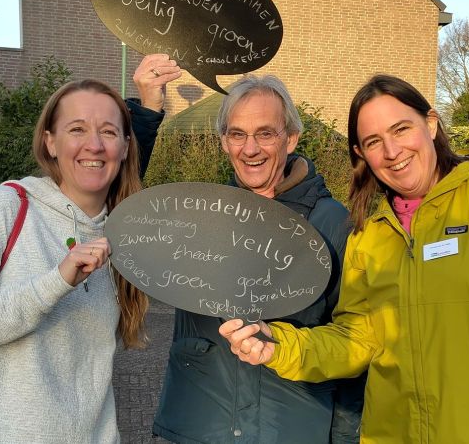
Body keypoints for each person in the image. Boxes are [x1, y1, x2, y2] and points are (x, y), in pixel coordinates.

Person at [220, 75, 469, 443]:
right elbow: (357, 339)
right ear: (361, 154)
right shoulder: (370, 236)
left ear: (432, 124)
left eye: (401, 129)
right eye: (373, 141)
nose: (392, 152)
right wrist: (278, 345)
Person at [0, 55, 182, 444]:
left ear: (126, 147)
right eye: (77, 129)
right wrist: (55, 282)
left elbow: (122, 176)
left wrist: (148, 103)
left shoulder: (124, 232)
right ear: (50, 141)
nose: (94, 145)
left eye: (109, 132)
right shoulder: (6, 207)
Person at [151, 75, 366, 443]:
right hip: (201, 428)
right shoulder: (198, 219)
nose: (250, 149)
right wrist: (145, 110)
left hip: (292, 429)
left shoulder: (333, 224)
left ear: (291, 138)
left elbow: (352, 344)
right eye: (237, 134)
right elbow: (117, 209)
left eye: (265, 133)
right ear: (224, 142)